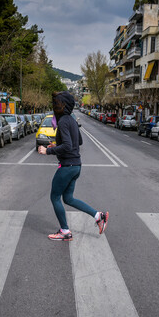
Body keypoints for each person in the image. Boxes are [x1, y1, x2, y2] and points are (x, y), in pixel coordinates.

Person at [38, 91, 109, 241]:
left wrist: (48, 150)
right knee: (68, 198)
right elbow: (79, 141)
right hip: (76, 165)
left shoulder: (64, 120)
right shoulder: (71, 119)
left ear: (62, 106)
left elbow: (69, 146)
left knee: (55, 197)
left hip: (67, 166)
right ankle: (98, 216)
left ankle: (65, 231)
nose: (54, 106)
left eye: (56, 103)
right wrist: (58, 144)